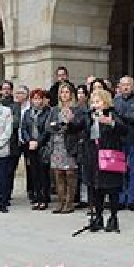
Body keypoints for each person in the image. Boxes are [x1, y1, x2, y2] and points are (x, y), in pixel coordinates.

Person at [80, 88, 128, 232]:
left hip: (109, 157)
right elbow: (78, 127)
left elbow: (124, 130)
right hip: (93, 158)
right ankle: (98, 217)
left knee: (111, 188)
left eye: (98, 101)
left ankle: (113, 218)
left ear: (106, 102)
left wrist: (110, 123)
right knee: (96, 189)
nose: (96, 104)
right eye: (93, 102)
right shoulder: (88, 116)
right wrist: (69, 121)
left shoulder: (112, 114)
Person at [45, 83, 83, 214]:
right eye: (62, 92)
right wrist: (58, 126)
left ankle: (69, 202)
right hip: (57, 144)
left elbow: (80, 125)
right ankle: (60, 202)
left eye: (67, 92)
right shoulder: (55, 110)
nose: (65, 94)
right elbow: (48, 127)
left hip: (70, 144)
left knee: (70, 174)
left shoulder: (77, 109)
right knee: (58, 173)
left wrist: (71, 122)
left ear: (71, 94)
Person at [21, 89, 52, 210]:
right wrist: (29, 141)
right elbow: (23, 128)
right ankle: (36, 197)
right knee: (33, 173)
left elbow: (47, 130)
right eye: (34, 98)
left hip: (42, 146)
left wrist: (38, 142)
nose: (37, 101)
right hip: (30, 146)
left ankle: (44, 198)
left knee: (43, 173)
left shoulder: (47, 112)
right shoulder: (28, 113)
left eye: (39, 98)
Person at [114, 76, 134, 211]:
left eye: (128, 85)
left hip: (133, 140)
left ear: (133, 86)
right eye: (123, 85)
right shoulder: (115, 101)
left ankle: (131, 200)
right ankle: (120, 199)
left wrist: (119, 117)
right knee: (120, 171)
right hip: (118, 141)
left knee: (133, 170)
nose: (125, 87)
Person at [10, 85, 32, 203]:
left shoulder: (30, 107)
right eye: (17, 93)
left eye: (21, 93)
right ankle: (8, 191)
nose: (18, 95)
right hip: (15, 141)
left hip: (28, 141)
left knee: (30, 167)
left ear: (27, 94)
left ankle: (31, 190)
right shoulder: (13, 107)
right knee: (11, 167)